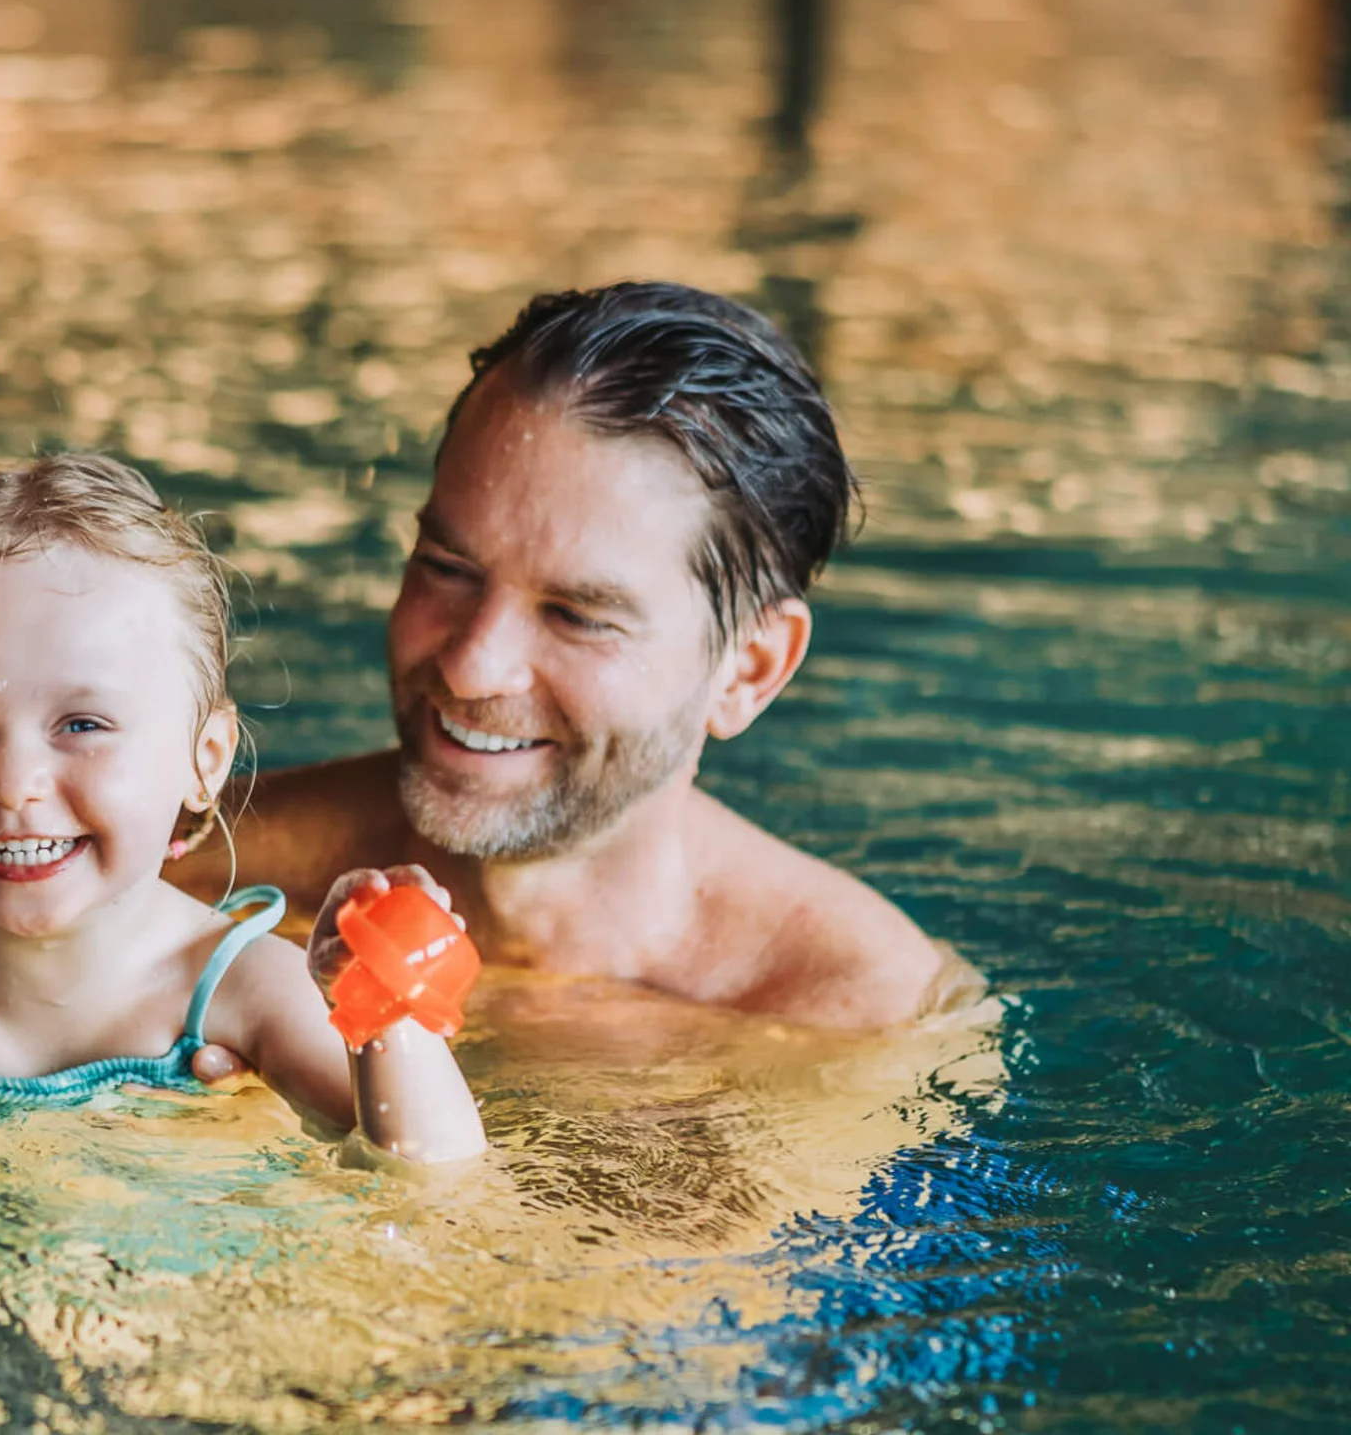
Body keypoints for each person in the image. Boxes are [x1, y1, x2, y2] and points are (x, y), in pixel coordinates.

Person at [174, 281, 952, 1055]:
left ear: (749, 670)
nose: (474, 666)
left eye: (578, 616)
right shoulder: (194, 876)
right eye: (447, 568)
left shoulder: (858, 1022)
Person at [0, 453, 487, 1193]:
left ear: (204, 759)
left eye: (83, 725)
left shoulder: (240, 987)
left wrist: (386, 1011)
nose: (15, 785)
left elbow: (424, 1179)